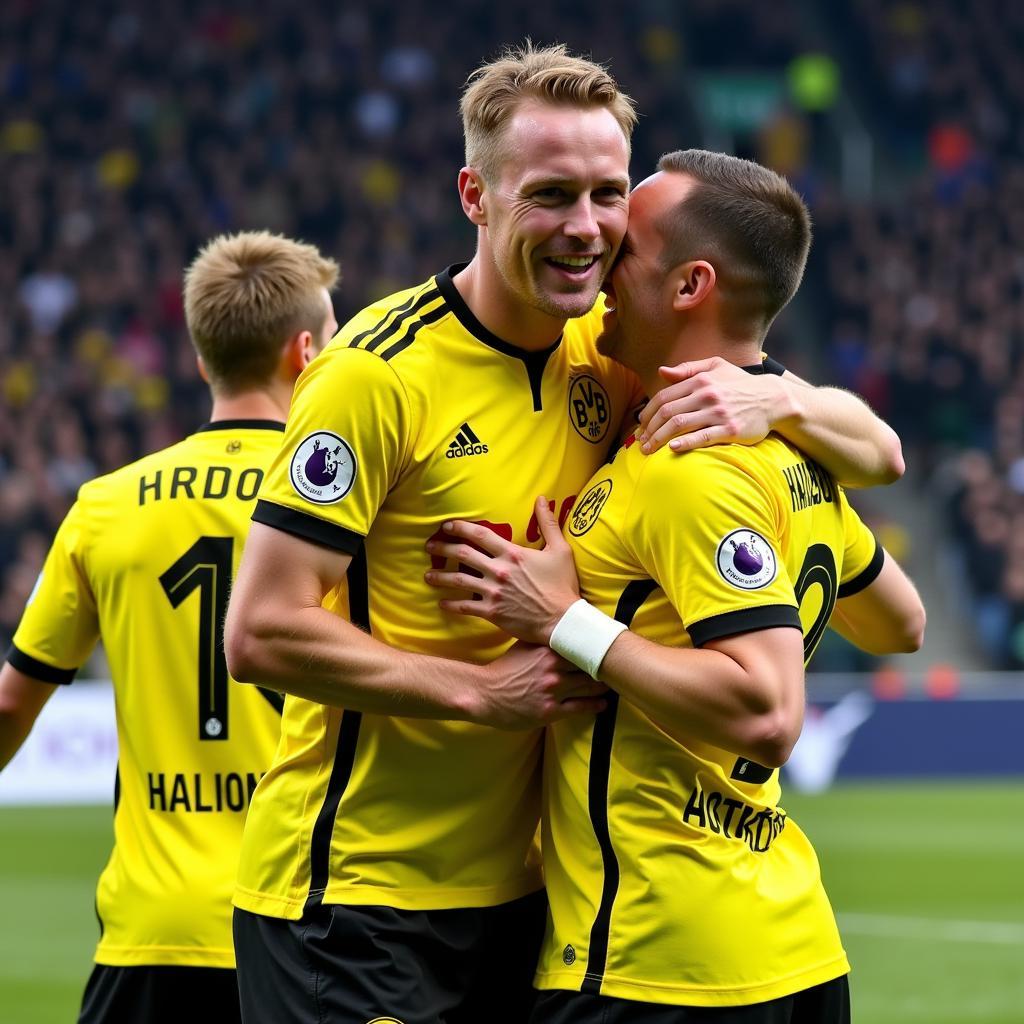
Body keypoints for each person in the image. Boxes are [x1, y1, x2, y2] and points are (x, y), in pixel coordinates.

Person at [224, 46, 904, 1024]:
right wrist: (478, 690)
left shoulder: (613, 348)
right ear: (475, 194)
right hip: (358, 896)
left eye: (606, 194)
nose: (584, 229)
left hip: (530, 901)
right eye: (549, 196)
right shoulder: (374, 376)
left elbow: (879, 455)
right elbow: (260, 631)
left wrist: (776, 394)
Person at [426, 149, 926, 1022]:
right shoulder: (792, 456)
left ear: (691, 285)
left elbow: (768, 715)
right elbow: (901, 623)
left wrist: (564, 621)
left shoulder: (688, 470)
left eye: (628, 246)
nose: (602, 248)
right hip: (789, 943)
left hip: (657, 962)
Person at [0, 230, 339, 1024]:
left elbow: (12, 706)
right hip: (300, 922)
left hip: (151, 937)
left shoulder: (104, 506)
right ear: (306, 355)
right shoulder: (348, 509)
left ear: (200, 360)